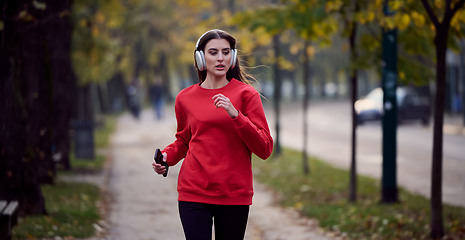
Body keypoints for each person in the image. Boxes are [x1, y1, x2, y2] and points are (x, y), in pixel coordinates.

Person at [152, 29, 273, 240]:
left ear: (233, 57)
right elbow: (183, 141)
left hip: (234, 194)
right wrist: (166, 157)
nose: (220, 58)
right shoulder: (184, 98)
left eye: (226, 52)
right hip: (193, 191)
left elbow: (264, 148)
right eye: (213, 52)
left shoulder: (247, 94)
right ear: (201, 57)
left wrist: (236, 115)